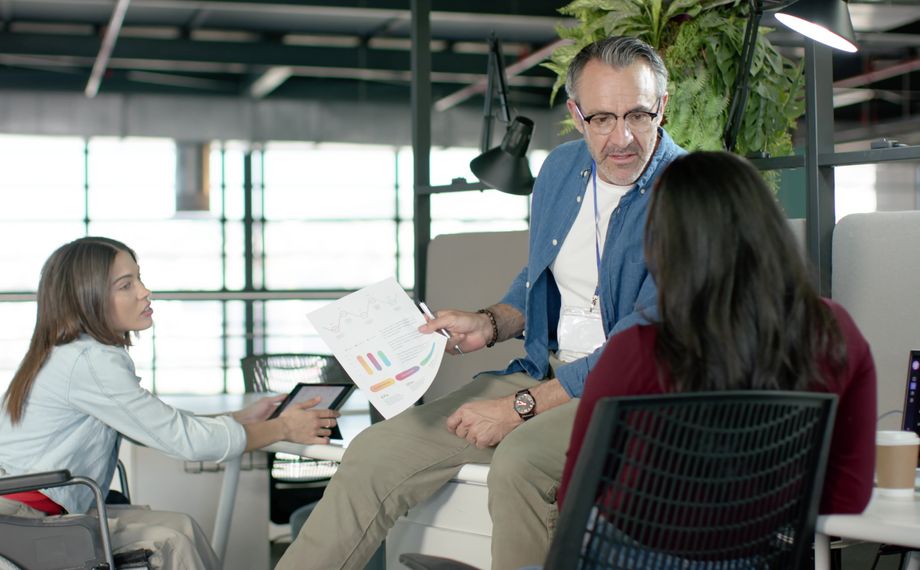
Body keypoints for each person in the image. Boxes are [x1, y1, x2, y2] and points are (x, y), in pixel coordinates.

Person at [278, 36, 686, 570]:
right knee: (374, 451)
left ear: (663, 105)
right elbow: (544, 279)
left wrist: (522, 407)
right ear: (575, 114)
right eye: (602, 119)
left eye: (637, 114)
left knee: (519, 461)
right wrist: (490, 322)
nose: (623, 138)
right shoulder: (562, 171)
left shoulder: (690, 191)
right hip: (544, 370)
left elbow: (646, 344)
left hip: (629, 393)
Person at [556, 151, 876, 558]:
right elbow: (847, 496)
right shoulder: (833, 333)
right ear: (769, 228)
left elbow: (575, 500)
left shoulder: (635, 351)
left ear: (664, 244)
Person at [0, 236, 339, 570]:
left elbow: (153, 424)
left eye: (138, 278)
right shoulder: (89, 361)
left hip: (9, 507)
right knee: (172, 541)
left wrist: (238, 418)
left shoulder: (72, 351)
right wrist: (284, 428)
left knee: (182, 528)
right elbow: (184, 441)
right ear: (87, 297)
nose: (144, 292)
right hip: (14, 516)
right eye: (126, 285)